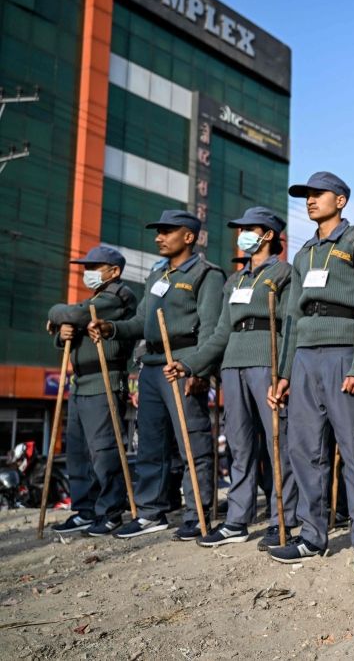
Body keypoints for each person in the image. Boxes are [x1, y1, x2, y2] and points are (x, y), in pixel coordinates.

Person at [266, 172, 354, 573]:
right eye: (306, 196)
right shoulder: (302, 255)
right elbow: (290, 317)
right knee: (305, 451)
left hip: (343, 356)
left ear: (340, 200)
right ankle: (311, 536)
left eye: (318, 194)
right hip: (303, 358)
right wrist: (283, 374)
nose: (310, 200)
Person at [162, 207, 299, 549]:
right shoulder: (234, 280)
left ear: (268, 234)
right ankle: (237, 520)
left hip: (266, 361)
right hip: (232, 364)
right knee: (239, 446)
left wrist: (284, 371)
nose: (242, 236)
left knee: (277, 443)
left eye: (248, 229)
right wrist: (190, 364)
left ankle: (284, 518)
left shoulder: (284, 273)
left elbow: (291, 326)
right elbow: (220, 333)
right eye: (240, 230)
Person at [89, 211, 225, 540]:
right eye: (158, 231)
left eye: (166, 231)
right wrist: (111, 328)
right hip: (151, 365)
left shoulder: (206, 274)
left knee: (192, 442)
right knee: (150, 444)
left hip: (182, 363)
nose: (158, 237)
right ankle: (152, 512)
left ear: (189, 237)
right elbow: (140, 322)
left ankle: (197, 512)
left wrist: (200, 369)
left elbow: (210, 329)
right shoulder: (156, 273)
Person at [47, 246, 137, 536]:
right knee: (77, 451)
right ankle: (84, 509)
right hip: (80, 381)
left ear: (114, 271)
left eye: (95, 266)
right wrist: (63, 334)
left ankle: (110, 510)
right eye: (87, 266)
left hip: (104, 381)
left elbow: (74, 313)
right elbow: (72, 325)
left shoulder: (118, 296)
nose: (88, 272)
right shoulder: (94, 299)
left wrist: (58, 314)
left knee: (104, 450)